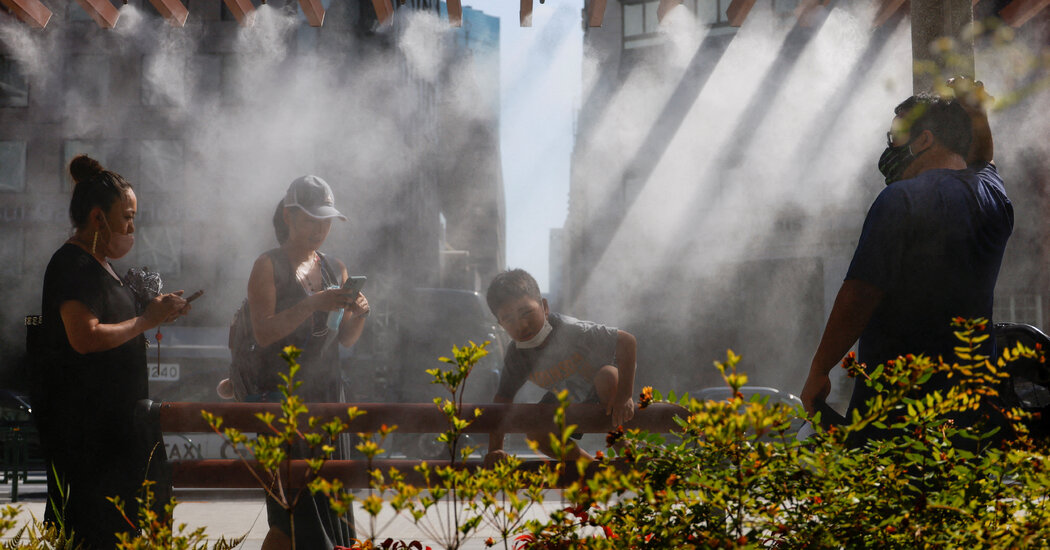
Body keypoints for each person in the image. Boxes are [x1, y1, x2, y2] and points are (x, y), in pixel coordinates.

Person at [800, 78, 1012, 446]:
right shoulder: (993, 198)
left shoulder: (901, 199)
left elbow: (859, 294)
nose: (888, 148)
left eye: (896, 136)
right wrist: (977, 114)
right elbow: (982, 160)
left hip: (898, 411)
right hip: (972, 411)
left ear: (924, 139)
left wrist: (819, 368)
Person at [35, 155, 191, 549]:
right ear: (98, 217)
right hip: (88, 438)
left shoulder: (102, 265)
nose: (132, 227)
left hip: (116, 434)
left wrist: (158, 312)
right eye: (127, 216)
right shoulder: (73, 264)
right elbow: (84, 337)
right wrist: (144, 321)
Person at [248, 175, 369, 550]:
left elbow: (344, 339)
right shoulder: (268, 265)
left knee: (333, 515)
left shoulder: (335, 267)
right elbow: (263, 333)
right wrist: (310, 304)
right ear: (289, 216)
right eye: (311, 220)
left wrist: (360, 313)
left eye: (326, 221)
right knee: (291, 517)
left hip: (329, 399)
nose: (319, 229)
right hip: (283, 402)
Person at [483, 269, 637, 465]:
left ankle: (629, 453)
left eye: (526, 312)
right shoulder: (517, 356)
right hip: (566, 398)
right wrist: (495, 449)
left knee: (607, 376)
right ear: (500, 324)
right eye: (509, 319)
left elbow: (626, 341)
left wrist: (625, 395)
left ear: (544, 307)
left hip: (601, 392)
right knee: (534, 431)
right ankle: (588, 467)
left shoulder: (571, 330)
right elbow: (503, 400)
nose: (521, 324)